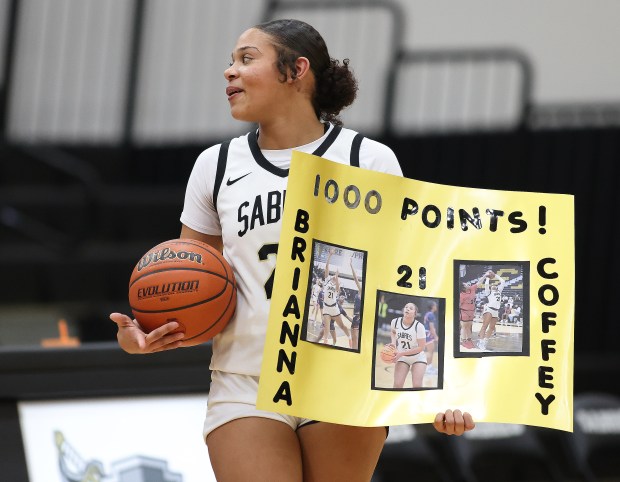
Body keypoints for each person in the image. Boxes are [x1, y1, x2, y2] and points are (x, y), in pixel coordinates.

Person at [110, 18, 474, 481]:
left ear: (295, 70)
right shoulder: (215, 166)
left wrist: (446, 387)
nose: (229, 71)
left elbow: (413, 280)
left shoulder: (368, 160)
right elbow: (187, 276)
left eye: (246, 59)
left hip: (342, 375)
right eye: (230, 61)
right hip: (244, 380)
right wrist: (149, 329)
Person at [390, 302, 427, 388]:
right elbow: (393, 331)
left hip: (417, 357)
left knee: (417, 386)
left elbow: (421, 347)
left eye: (411, 308)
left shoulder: (419, 326)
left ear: (415, 313)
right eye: (406, 307)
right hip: (403, 357)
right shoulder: (395, 322)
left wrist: (401, 353)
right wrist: (393, 343)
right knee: (397, 385)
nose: (407, 309)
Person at [477, 270, 506, 350]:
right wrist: (487, 277)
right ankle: (480, 342)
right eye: (492, 285)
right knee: (485, 326)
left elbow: (503, 281)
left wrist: (495, 275)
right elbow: (486, 284)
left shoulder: (499, 291)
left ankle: (485, 342)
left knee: (492, 327)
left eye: (495, 285)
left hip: (496, 311)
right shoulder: (488, 292)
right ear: (490, 287)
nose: (493, 285)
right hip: (489, 309)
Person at [459, 274, 485, 350]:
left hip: (471, 311)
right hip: (464, 311)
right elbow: (459, 304)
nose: (468, 284)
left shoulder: (472, 289)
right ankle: (464, 341)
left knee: (469, 327)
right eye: (466, 284)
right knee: (464, 326)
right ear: (463, 288)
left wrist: (484, 276)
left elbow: (479, 283)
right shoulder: (461, 295)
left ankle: (469, 340)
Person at [350, 256, 363, 350]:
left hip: (358, 319)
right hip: (355, 317)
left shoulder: (362, 291)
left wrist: (351, 266)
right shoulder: (359, 291)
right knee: (354, 338)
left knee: (356, 339)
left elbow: (355, 278)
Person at [423, 302, 439, 373]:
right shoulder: (431, 314)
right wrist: (435, 336)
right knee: (430, 352)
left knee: (431, 351)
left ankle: (429, 367)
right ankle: (427, 368)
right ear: (433, 306)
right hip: (428, 335)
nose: (436, 306)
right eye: (435, 305)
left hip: (427, 334)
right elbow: (431, 327)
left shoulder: (428, 314)